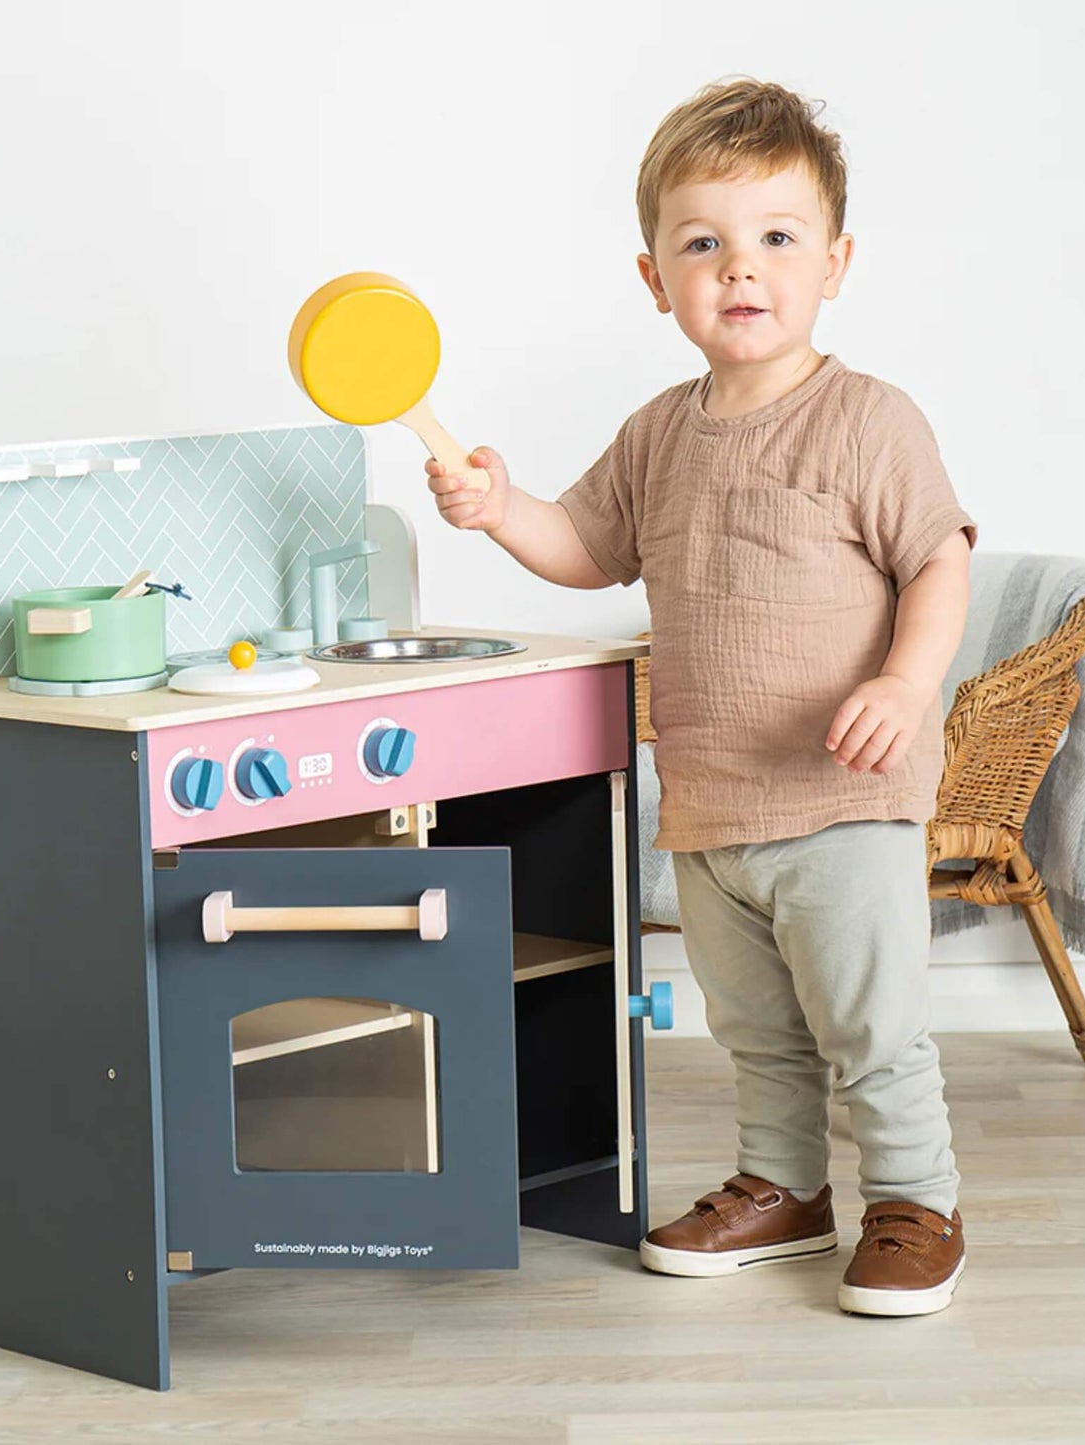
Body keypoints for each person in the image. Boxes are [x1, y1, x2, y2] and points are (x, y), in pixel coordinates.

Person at [423, 77, 977, 1317]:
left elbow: (937, 557)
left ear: (833, 263)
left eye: (776, 238)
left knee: (869, 1025)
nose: (741, 268)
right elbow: (583, 543)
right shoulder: (657, 432)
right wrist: (498, 504)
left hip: (842, 797)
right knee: (759, 1031)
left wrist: (902, 676)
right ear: (652, 277)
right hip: (714, 805)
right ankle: (783, 1186)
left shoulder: (866, 421)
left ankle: (911, 1196)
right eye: (702, 243)